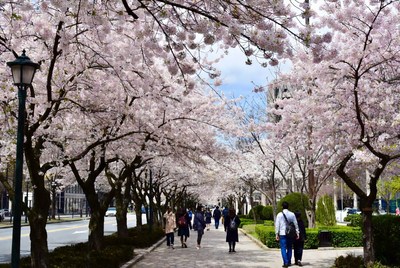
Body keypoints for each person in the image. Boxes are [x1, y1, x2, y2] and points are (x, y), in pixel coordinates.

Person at [275, 201, 299, 268]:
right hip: (290, 233)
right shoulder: (292, 214)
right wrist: (297, 232)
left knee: (283, 248)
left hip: (282, 233)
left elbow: (277, 225)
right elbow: (295, 224)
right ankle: (288, 261)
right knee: (289, 248)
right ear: (288, 206)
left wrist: (277, 233)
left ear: (282, 207)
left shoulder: (279, 215)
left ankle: (285, 262)